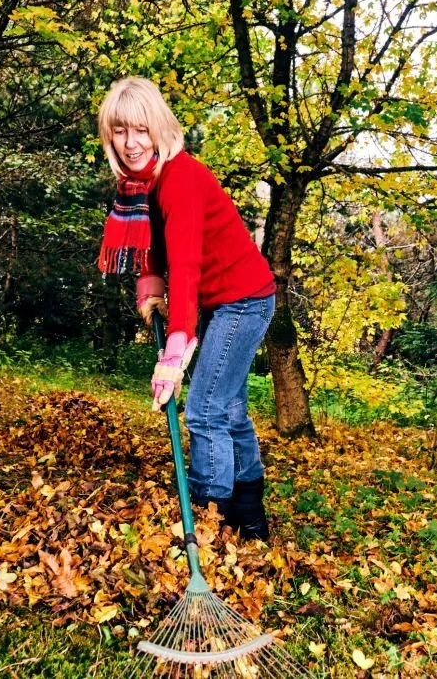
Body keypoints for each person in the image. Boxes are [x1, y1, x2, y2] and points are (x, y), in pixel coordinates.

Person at [96, 77, 276, 541]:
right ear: (109, 134)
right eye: (120, 131)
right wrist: (150, 288)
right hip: (227, 301)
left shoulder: (181, 180)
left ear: (159, 128)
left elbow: (188, 267)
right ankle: (251, 521)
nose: (131, 142)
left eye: (140, 129)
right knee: (231, 409)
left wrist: (174, 353)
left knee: (204, 409)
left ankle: (210, 514)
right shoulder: (140, 185)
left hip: (245, 300)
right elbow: (155, 245)